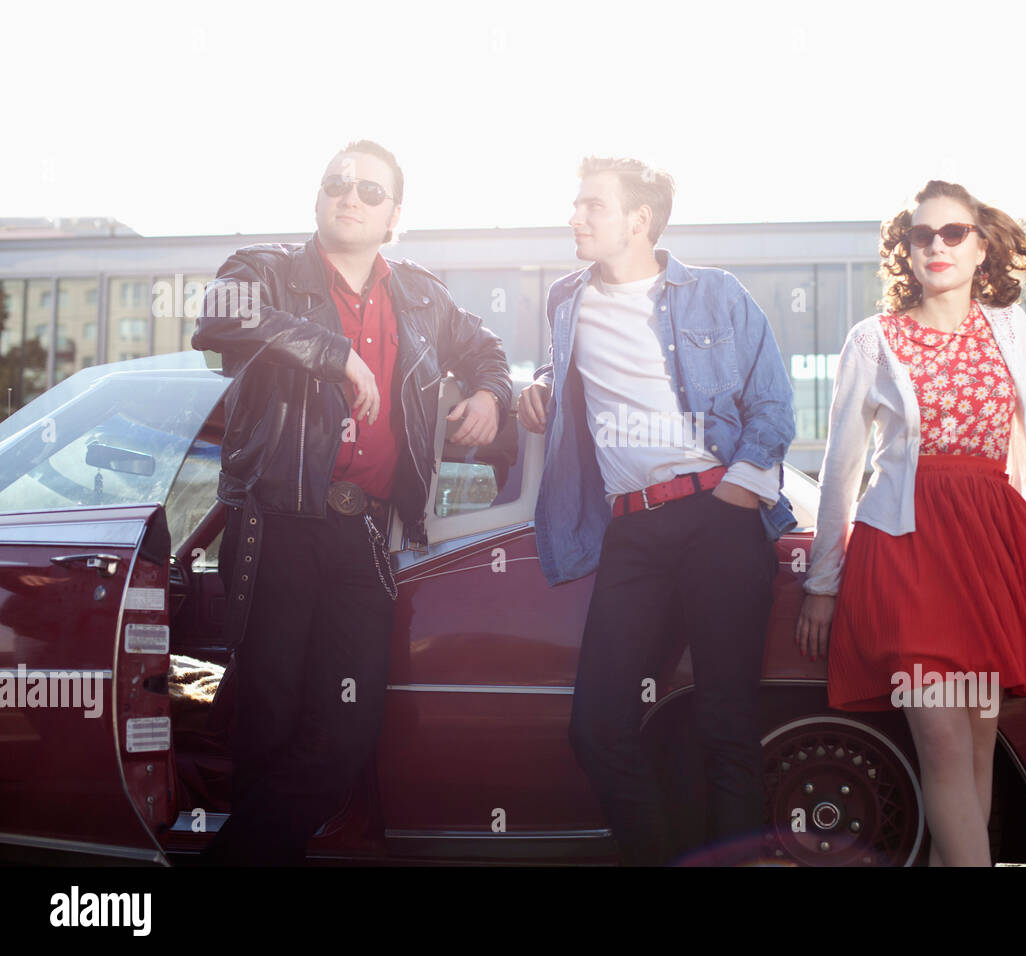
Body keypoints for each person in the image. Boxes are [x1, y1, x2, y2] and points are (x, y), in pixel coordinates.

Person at [795, 180, 1026, 867]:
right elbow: (842, 465)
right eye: (921, 235)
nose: (937, 246)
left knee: (980, 748)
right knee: (942, 745)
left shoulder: (1009, 328)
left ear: (980, 244)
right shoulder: (873, 339)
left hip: (989, 546)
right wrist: (822, 581)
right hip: (905, 551)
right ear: (904, 250)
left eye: (952, 233)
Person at [192, 139, 512, 865]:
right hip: (275, 526)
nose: (351, 196)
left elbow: (487, 349)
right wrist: (328, 350)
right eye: (338, 183)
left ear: (394, 215)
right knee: (266, 724)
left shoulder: (424, 296)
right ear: (317, 198)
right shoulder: (267, 268)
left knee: (348, 727)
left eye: (370, 190)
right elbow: (215, 316)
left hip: (366, 535)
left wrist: (493, 393)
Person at [518, 156, 797, 865]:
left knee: (726, 726)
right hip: (632, 531)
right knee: (596, 728)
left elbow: (772, 405)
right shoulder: (565, 301)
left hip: (718, 522)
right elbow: (566, 370)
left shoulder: (716, 295)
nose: (574, 218)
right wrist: (542, 383)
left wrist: (733, 493)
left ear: (638, 221)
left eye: (591, 206)